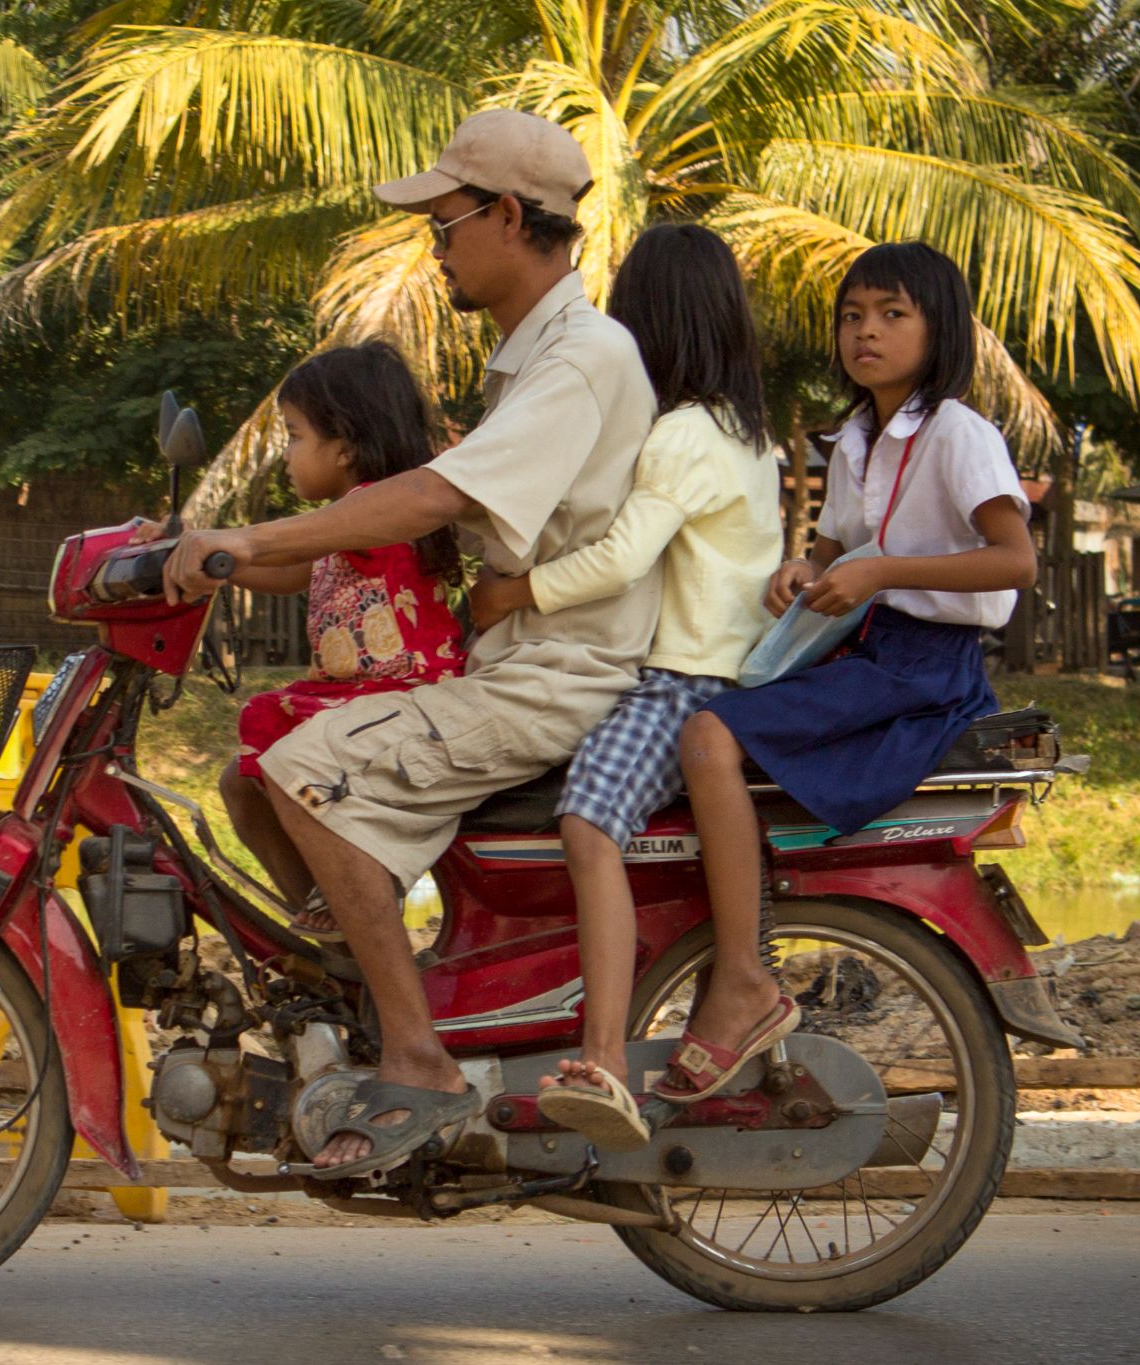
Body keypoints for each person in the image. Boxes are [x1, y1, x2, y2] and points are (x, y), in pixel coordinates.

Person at [164, 109, 659, 1178]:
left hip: (548, 677)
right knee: (266, 759)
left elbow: (426, 499)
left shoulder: (576, 359)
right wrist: (222, 556)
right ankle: (356, 971)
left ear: (510, 217)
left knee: (300, 766)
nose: (434, 248)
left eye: (445, 224)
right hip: (513, 661)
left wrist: (241, 536)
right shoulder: (524, 364)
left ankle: (415, 1056)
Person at [668, 240, 1038, 1104]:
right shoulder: (857, 439)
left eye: (891, 314)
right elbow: (833, 549)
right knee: (694, 728)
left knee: (707, 737)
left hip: (923, 670)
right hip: (865, 648)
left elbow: (1014, 561)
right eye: (851, 316)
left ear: (939, 329)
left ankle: (743, 977)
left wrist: (883, 571)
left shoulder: (958, 433)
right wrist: (803, 570)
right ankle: (740, 952)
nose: (865, 332)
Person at [464, 223, 781, 1148]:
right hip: (720, 673)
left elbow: (618, 557)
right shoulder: (747, 436)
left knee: (588, 820)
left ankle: (602, 1054)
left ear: (654, 322)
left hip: (679, 681)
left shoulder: (681, 434)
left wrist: (510, 592)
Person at [216, 343, 466, 935]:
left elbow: (286, 548)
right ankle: (328, 913)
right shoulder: (349, 521)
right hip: (360, 696)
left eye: (295, 436)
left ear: (346, 445)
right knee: (240, 782)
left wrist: (228, 540)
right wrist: (210, 559)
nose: (286, 454)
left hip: (394, 697)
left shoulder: (371, 511)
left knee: (276, 763)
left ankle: (345, 908)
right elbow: (284, 572)